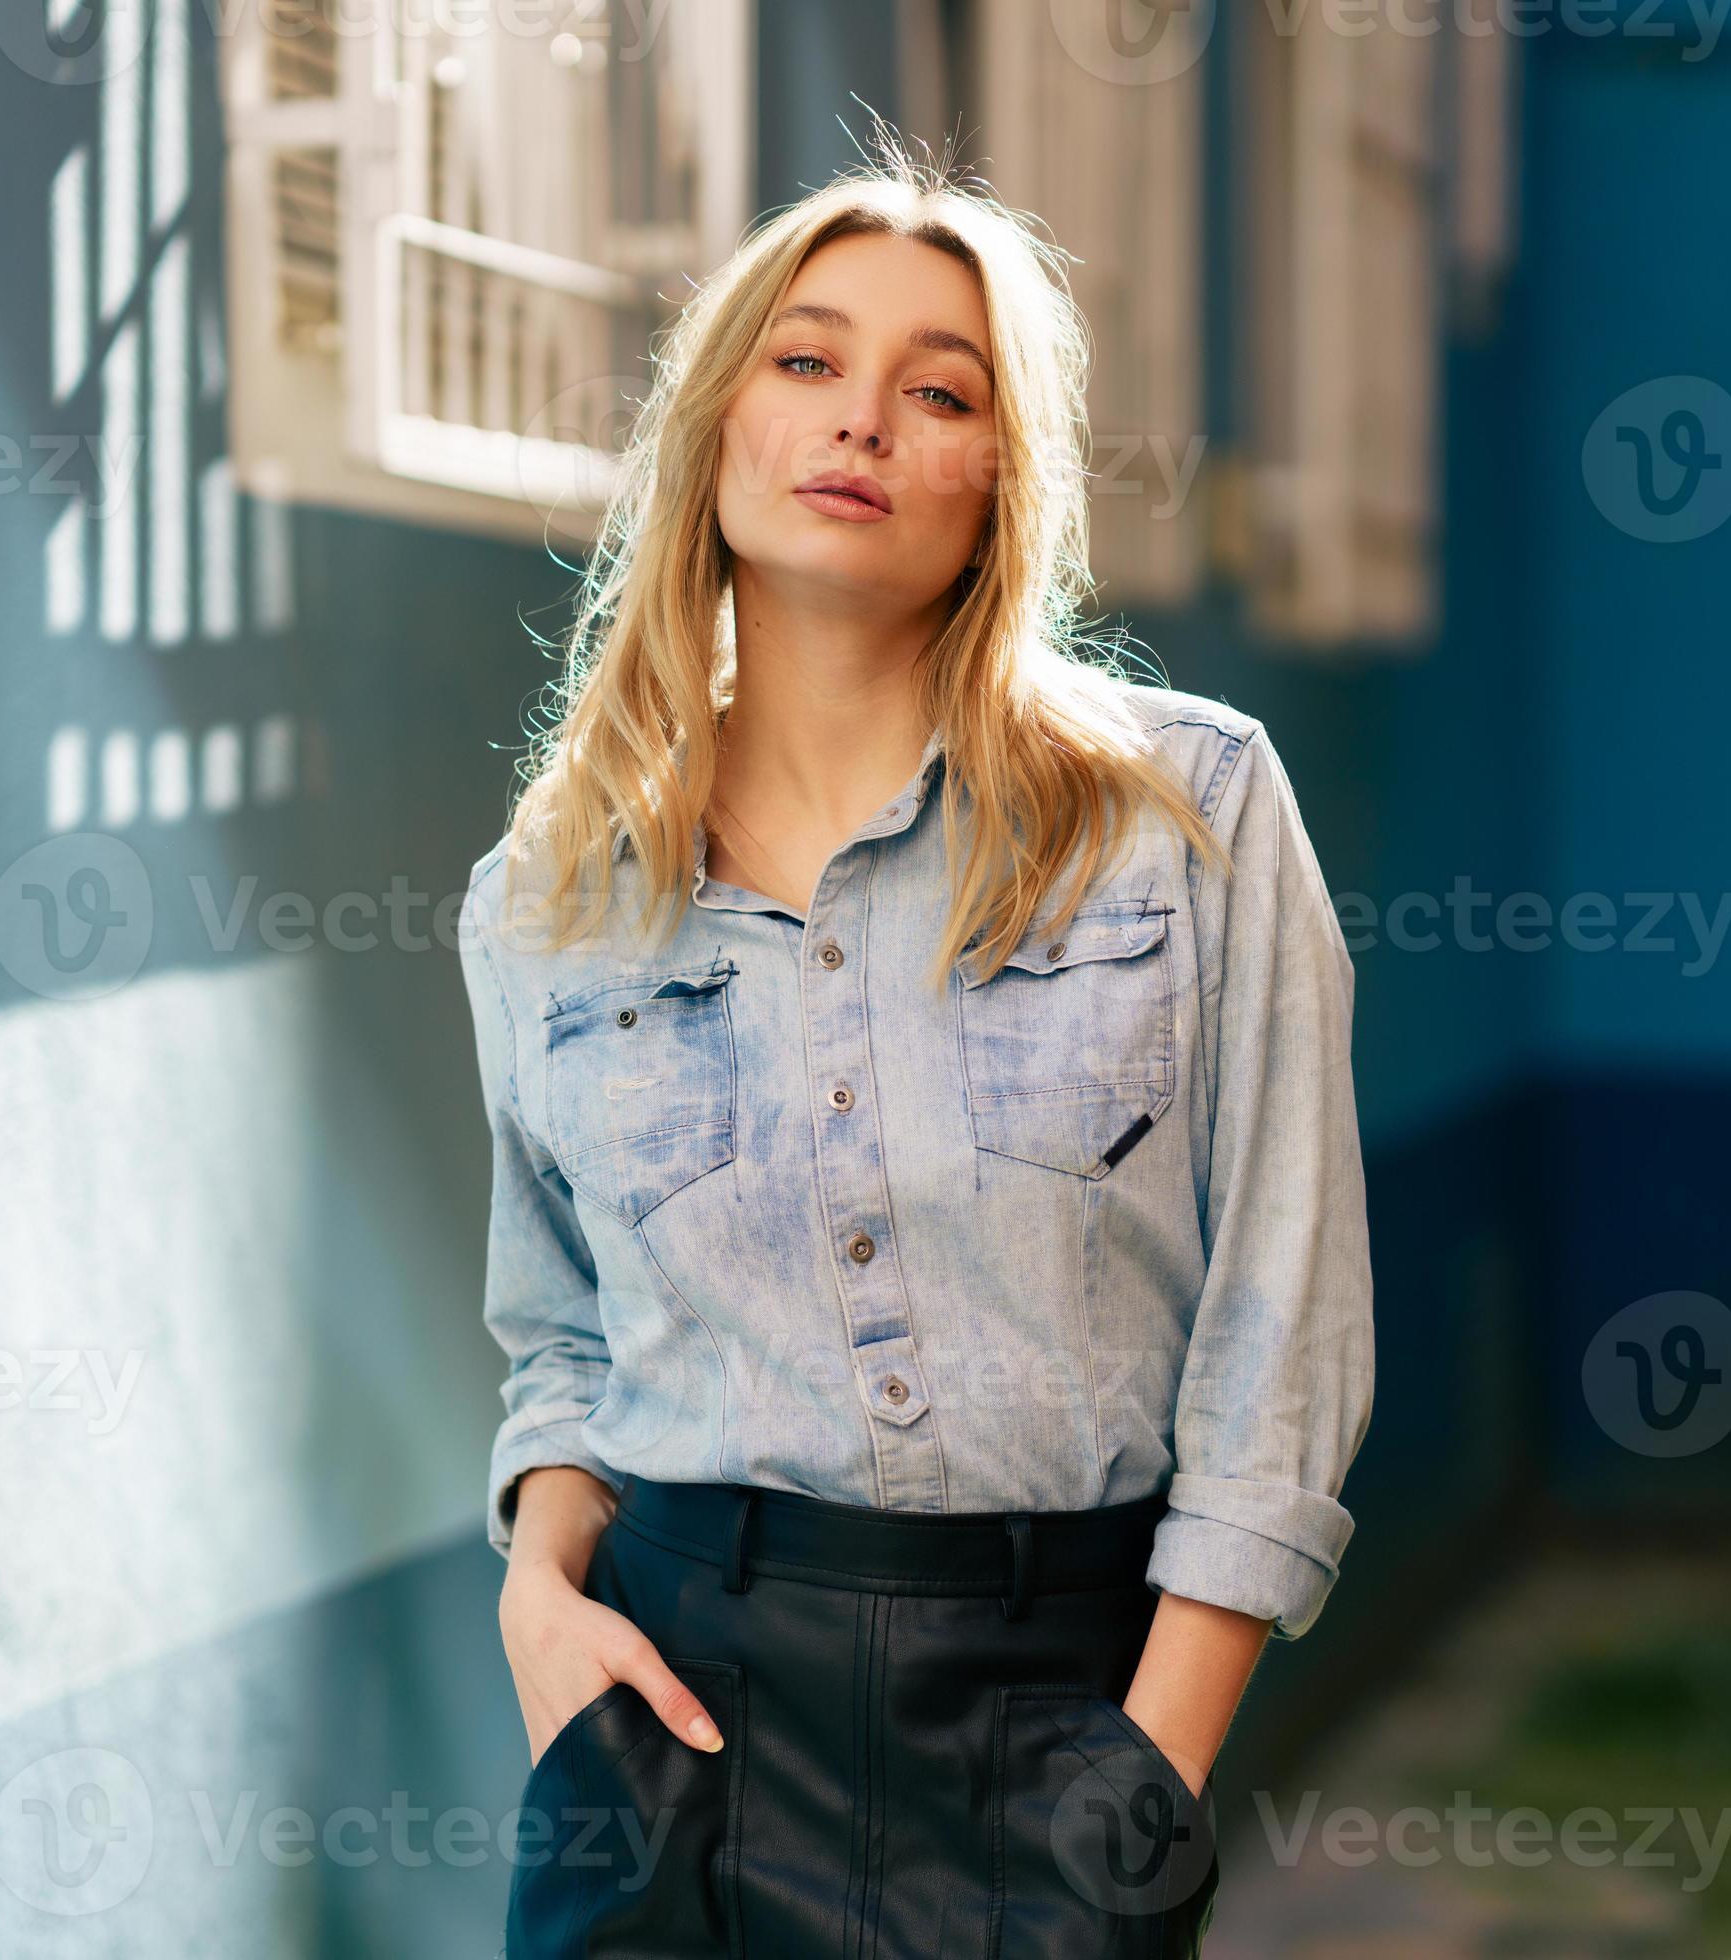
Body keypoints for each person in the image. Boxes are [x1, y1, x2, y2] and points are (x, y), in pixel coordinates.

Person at [455, 142, 1375, 1958]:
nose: (859, 420)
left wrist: (1144, 1781)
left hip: (1058, 1730)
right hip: (673, 1731)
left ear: (1001, 479)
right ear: (716, 429)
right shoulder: (549, 887)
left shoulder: (1190, 818)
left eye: (936, 388)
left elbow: (1282, 1331)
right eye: (804, 362)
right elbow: (560, 1329)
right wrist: (543, 1611)